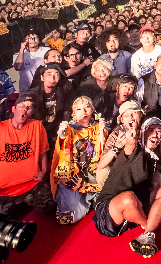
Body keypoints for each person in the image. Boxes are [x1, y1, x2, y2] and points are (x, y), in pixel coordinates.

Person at [93, 110, 161, 257]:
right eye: (151, 130)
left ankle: (148, 234)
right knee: (128, 198)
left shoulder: (154, 158)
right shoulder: (134, 149)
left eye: (159, 132)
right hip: (109, 213)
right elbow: (130, 145)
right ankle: (149, 225)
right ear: (142, 133)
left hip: (135, 209)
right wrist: (132, 138)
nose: (156, 134)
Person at [0, 94, 54, 216]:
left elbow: (43, 152)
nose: (24, 110)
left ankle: (25, 203)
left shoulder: (37, 126)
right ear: (13, 109)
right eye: (22, 106)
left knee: (51, 206)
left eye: (29, 108)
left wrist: (44, 171)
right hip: (4, 189)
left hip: (32, 184)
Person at [51, 96, 107, 224]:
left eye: (87, 107)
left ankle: (90, 199)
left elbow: (103, 153)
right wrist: (61, 133)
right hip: (73, 176)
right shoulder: (69, 128)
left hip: (93, 175)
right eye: (79, 109)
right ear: (73, 114)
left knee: (106, 213)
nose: (84, 112)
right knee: (68, 218)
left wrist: (101, 131)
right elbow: (63, 141)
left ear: (93, 110)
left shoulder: (97, 127)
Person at [26, 62, 75, 145]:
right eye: (49, 74)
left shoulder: (64, 91)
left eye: (56, 74)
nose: (52, 78)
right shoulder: (33, 94)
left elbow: (67, 110)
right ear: (42, 77)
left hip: (57, 129)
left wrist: (64, 124)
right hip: (37, 131)